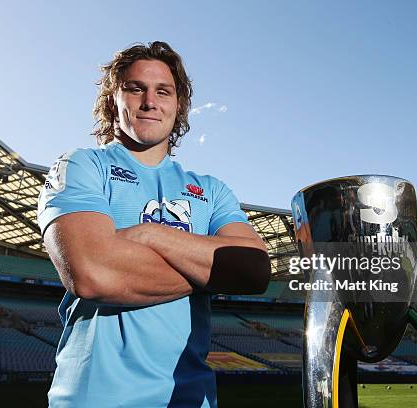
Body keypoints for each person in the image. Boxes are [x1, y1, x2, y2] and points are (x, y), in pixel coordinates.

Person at [37, 41, 271, 408]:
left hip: (191, 399)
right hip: (94, 398)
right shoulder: (82, 166)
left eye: (163, 91)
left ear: (178, 106)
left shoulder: (212, 190)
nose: (150, 101)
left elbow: (254, 271)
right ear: (113, 99)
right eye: (135, 88)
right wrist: (211, 271)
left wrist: (151, 235)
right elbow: (93, 272)